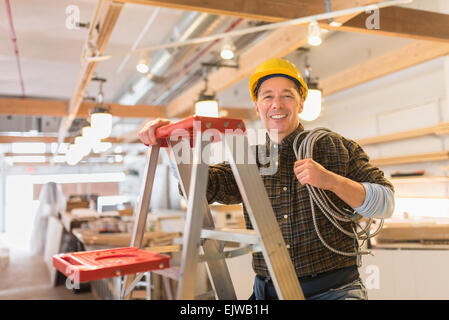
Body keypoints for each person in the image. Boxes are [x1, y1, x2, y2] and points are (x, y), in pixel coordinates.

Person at [139, 57, 395, 300]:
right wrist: (173, 144)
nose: (277, 104)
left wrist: (331, 181)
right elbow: (201, 188)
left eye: (287, 96)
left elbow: (385, 203)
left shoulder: (335, 147)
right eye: (268, 97)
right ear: (257, 106)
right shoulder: (248, 160)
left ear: (301, 103)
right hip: (270, 290)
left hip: (333, 291)